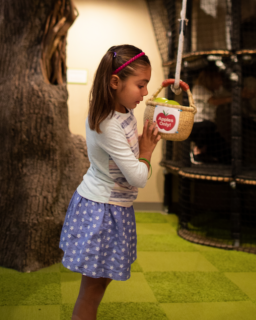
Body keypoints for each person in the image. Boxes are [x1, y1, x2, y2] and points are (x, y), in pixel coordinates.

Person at [59, 45, 160, 320]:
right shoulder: (106, 123)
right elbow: (137, 176)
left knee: (101, 284)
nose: (145, 92)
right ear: (115, 82)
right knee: (91, 292)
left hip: (115, 208)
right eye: (141, 85)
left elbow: (128, 157)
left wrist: (139, 149)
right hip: (100, 211)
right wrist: (147, 151)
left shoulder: (125, 112)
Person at [190, 68, 232, 164]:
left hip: (210, 129)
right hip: (196, 126)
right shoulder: (198, 88)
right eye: (219, 80)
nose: (221, 82)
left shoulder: (217, 90)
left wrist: (245, 94)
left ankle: (206, 154)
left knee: (226, 152)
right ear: (210, 79)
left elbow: (230, 95)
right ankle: (197, 150)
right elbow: (214, 101)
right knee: (208, 125)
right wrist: (231, 98)